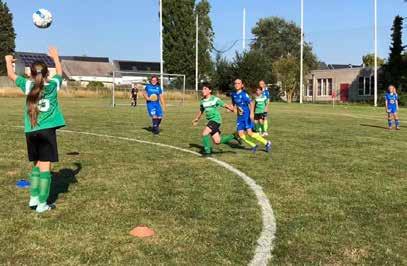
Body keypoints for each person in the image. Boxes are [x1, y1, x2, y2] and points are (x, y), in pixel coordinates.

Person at [5, 47, 65, 213]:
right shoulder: (52, 85)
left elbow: (11, 75)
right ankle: (42, 204)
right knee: (46, 168)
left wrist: (8, 61)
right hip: (46, 132)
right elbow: (60, 73)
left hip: (31, 132)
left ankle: (33, 197)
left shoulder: (28, 85)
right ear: (47, 74)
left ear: (30, 74)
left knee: (37, 166)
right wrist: (55, 57)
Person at [192, 83, 238, 155]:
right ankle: (233, 136)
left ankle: (207, 152)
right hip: (211, 121)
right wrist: (197, 118)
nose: (203, 91)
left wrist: (232, 109)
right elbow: (201, 110)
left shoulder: (215, 99)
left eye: (205, 89)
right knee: (217, 141)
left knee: (205, 133)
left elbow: (224, 105)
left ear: (210, 90)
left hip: (216, 120)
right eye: (203, 89)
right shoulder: (202, 101)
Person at [231, 79, 272, 153]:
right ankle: (254, 145)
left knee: (250, 133)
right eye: (235, 83)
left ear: (242, 85)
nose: (236, 84)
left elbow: (251, 104)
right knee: (240, 134)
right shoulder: (233, 94)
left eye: (238, 83)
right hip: (239, 117)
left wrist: (251, 114)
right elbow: (233, 103)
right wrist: (233, 109)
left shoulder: (244, 94)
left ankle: (267, 143)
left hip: (246, 116)